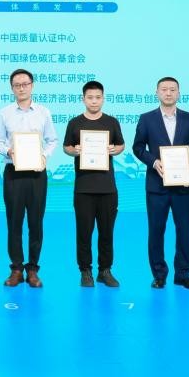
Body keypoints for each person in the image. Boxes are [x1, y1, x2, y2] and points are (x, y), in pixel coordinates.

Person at [131, 76, 189, 290]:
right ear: (156, 93)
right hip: (157, 186)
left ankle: (183, 274)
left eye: (173, 89)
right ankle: (159, 274)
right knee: (156, 230)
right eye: (164, 89)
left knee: (184, 231)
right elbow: (138, 147)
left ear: (179, 93)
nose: (168, 93)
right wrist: (154, 162)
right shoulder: (147, 119)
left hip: (185, 187)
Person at [0, 68, 58, 288]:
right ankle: (16, 269)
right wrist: (9, 151)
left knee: (35, 222)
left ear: (32, 86)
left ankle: (32, 269)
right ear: (12, 88)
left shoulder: (43, 112)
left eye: (25, 84)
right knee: (14, 221)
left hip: (37, 173)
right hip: (13, 172)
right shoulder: (4, 113)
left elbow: (52, 140)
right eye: (17, 85)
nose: (21, 88)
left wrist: (44, 156)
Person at [61, 81, 126, 288]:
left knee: (107, 232)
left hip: (107, 187)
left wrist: (116, 149)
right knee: (84, 232)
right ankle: (85, 271)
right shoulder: (74, 123)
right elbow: (66, 147)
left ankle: (105, 271)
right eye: (90, 97)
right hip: (83, 188)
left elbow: (121, 144)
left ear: (103, 98)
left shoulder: (112, 122)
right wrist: (74, 151)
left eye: (98, 97)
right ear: (83, 99)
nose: (94, 101)